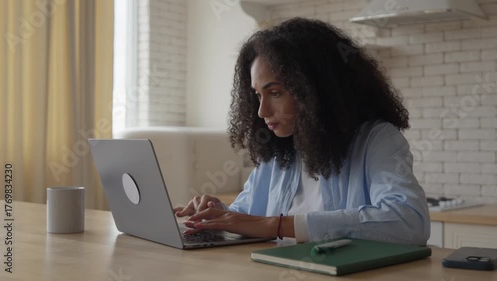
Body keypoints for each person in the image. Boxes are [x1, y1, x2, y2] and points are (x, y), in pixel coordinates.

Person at [174, 17, 430, 245]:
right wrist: (216, 214)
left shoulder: (377, 139)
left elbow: (410, 221)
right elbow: (245, 217)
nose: (261, 112)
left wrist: (278, 225)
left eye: (275, 93)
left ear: (316, 90)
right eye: (257, 95)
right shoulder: (279, 152)